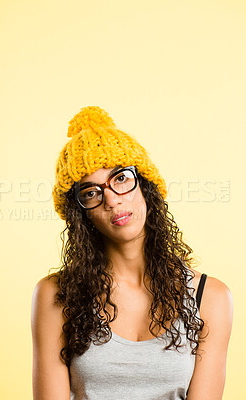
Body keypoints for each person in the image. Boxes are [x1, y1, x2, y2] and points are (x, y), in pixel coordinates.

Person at [31, 106, 233, 400]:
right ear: (81, 214)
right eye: (91, 192)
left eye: (121, 179)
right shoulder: (55, 295)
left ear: (146, 186)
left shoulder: (210, 298)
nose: (111, 200)